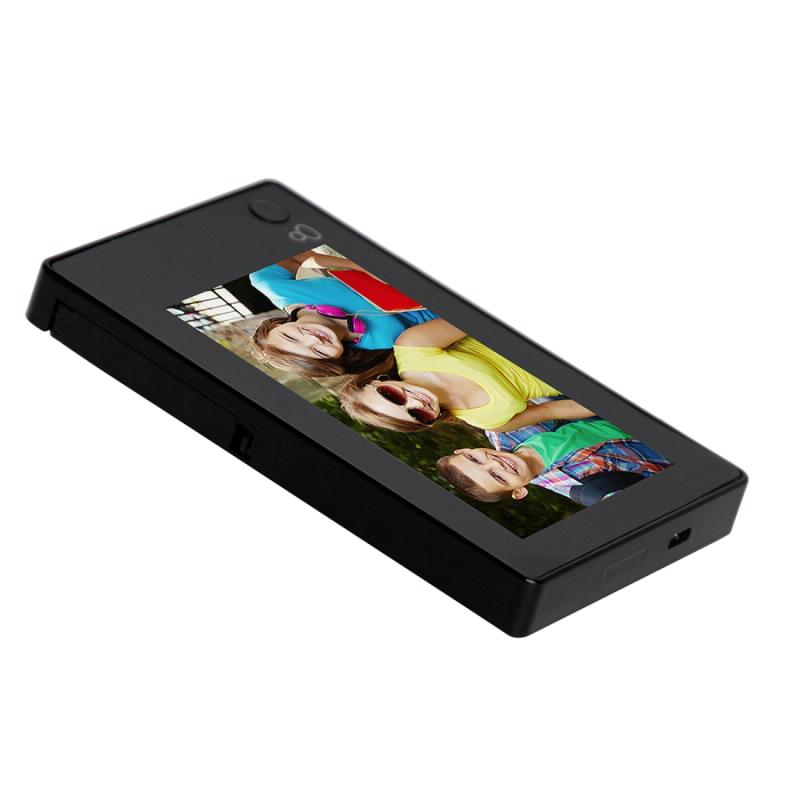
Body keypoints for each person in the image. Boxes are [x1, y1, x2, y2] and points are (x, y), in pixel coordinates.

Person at [339, 318, 593, 432]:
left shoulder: (413, 347)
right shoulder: (486, 421)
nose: (416, 402)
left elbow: (480, 315)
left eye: (392, 396)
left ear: (377, 382)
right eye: (416, 415)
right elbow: (552, 410)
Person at [249, 250, 438, 377]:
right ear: (334, 360)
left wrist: (357, 265)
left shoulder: (271, 285)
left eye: (290, 337)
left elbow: (295, 256)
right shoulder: (380, 348)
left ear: (277, 325)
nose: (313, 339)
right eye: (318, 352)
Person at [436, 418, 670, 504]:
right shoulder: (586, 486)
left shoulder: (502, 427)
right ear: (519, 492)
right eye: (497, 476)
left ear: (465, 449)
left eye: (475, 459)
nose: (496, 464)